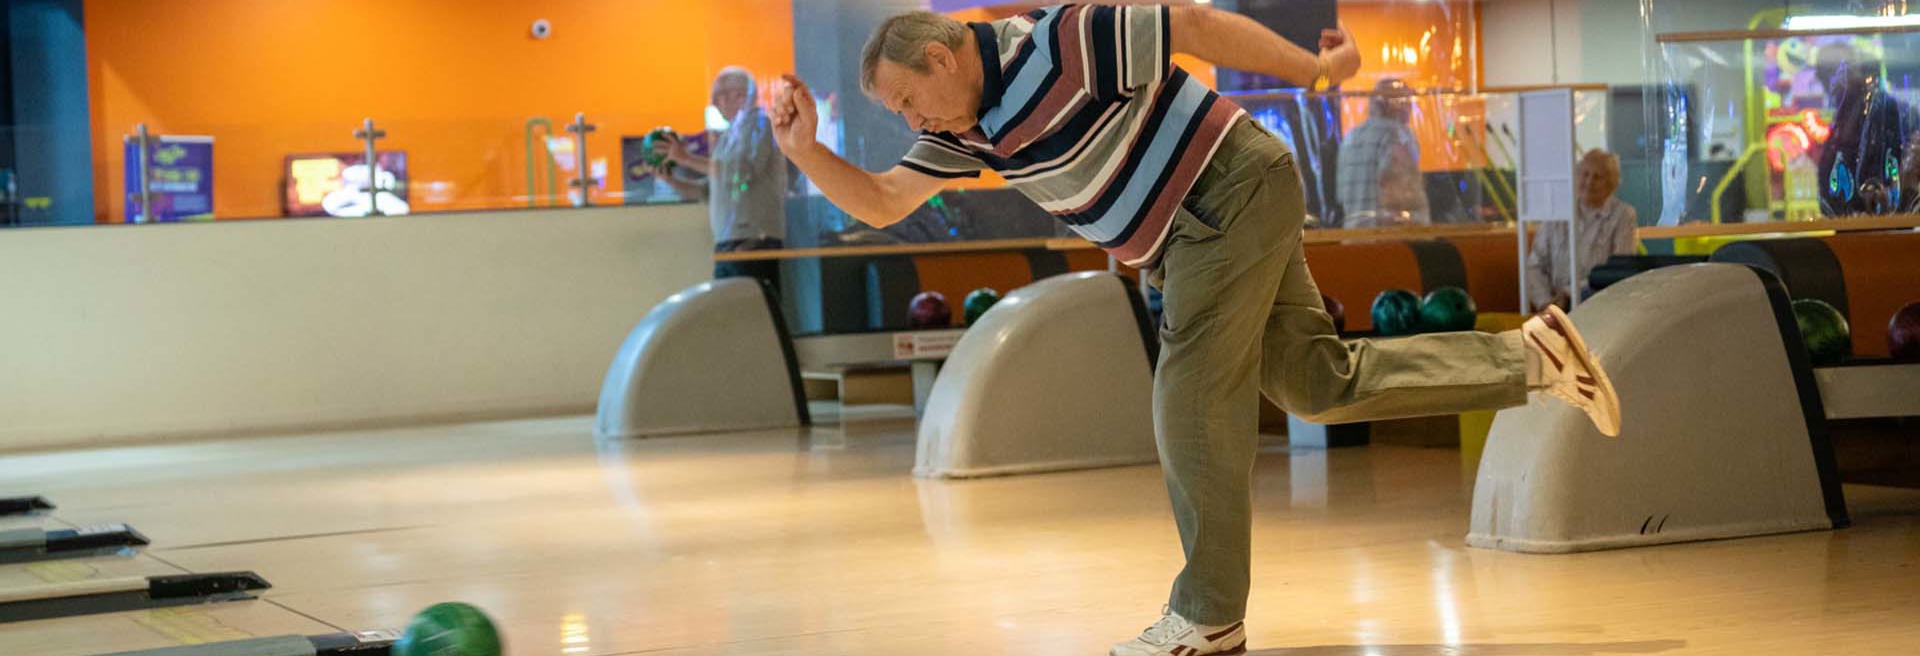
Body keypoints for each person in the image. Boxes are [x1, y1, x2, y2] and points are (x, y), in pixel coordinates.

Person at [766, 7, 1622, 655]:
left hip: (1224, 191)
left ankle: (1208, 616)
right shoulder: (970, 131)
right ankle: (1532, 357)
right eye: (901, 116)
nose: (916, 123)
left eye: (913, 101)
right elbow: (881, 200)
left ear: (946, 56)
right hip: (1196, 232)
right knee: (1315, 385)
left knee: (1186, 396)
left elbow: (1200, 25)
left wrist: (1316, 74)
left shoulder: (1061, 40)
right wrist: (804, 149)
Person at [649, 67, 789, 291]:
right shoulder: (730, 135)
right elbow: (709, 190)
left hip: (752, 239)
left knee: (751, 311)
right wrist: (671, 181)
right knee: (731, 311)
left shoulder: (759, 125)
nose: (715, 104)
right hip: (730, 239)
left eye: (719, 96)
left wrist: (685, 158)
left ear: (741, 95)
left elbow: (740, 173)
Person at [1526, 149, 1639, 311]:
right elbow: (1535, 265)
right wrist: (1546, 303)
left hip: (1599, 305)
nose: (1589, 181)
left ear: (1611, 184)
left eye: (1597, 177)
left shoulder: (1623, 215)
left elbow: (1618, 270)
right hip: (1554, 306)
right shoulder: (1558, 212)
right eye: (1585, 174)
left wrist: (1569, 292)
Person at [1335, 77, 1429, 228]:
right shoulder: (1398, 135)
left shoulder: (1350, 138)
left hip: (1352, 236)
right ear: (1394, 105)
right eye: (1406, 102)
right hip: (1386, 239)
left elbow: (1341, 196)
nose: (1410, 108)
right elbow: (1403, 199)